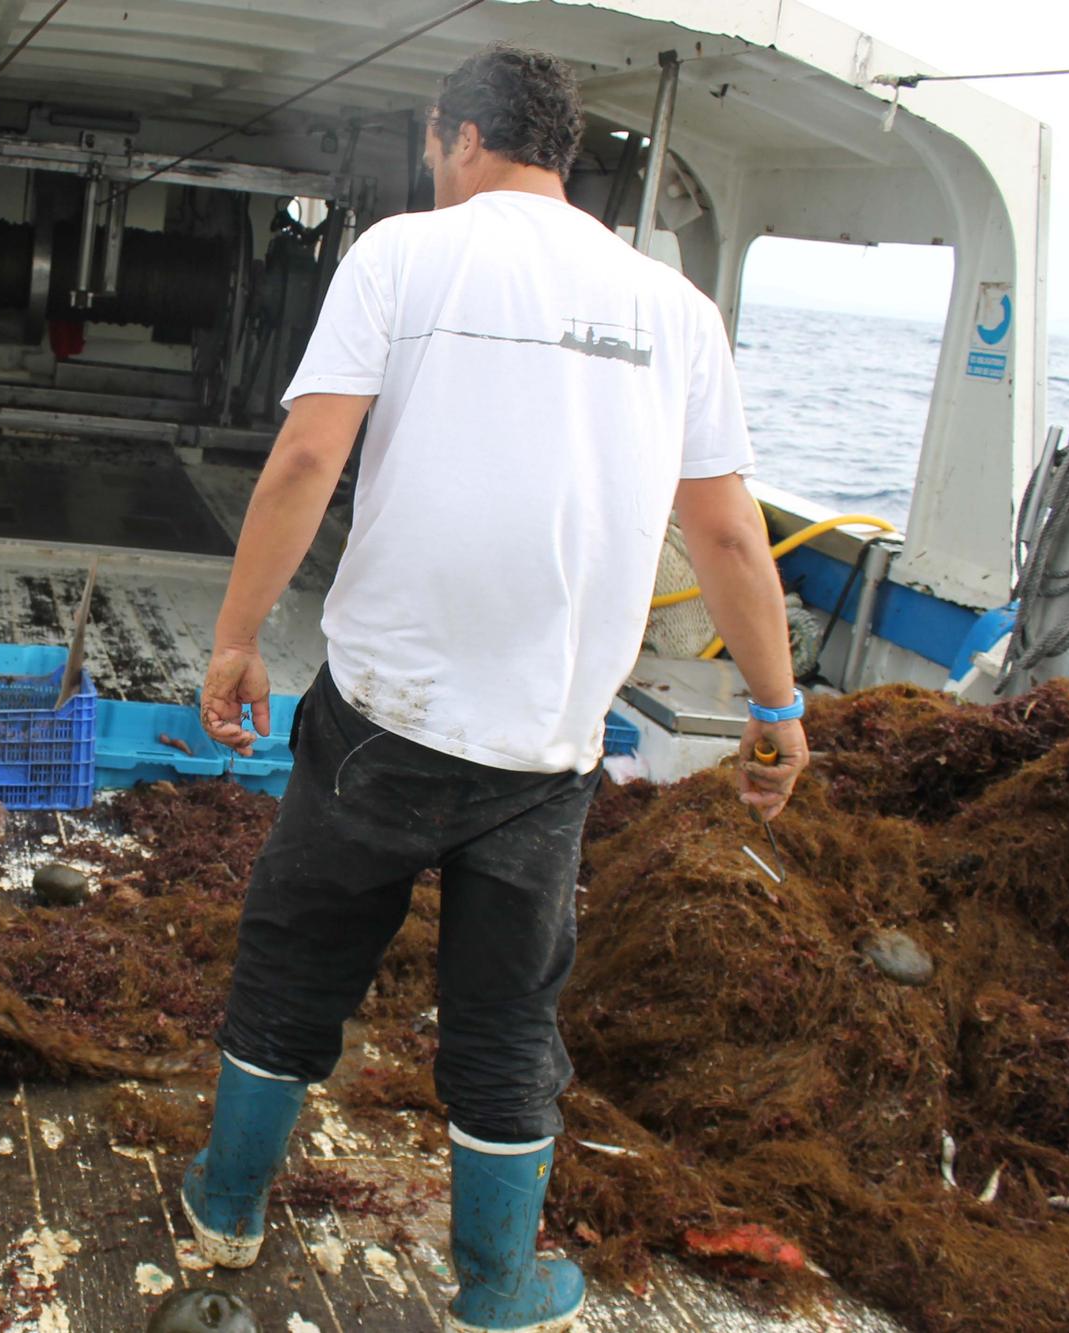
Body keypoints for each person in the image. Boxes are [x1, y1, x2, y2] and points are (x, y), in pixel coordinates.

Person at [182, 46, 808, 1333]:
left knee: (294, 964)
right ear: (558, 151)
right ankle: (495, 1285)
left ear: (458, 138)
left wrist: (236, 635)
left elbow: (307, 453)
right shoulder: (673, 310)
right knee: (504, 1021)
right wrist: (774, 708)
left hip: (376, 725)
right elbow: (731, 538)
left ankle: (225, 1208)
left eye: (432, 146)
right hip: (545, 751)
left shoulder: (402, 256)